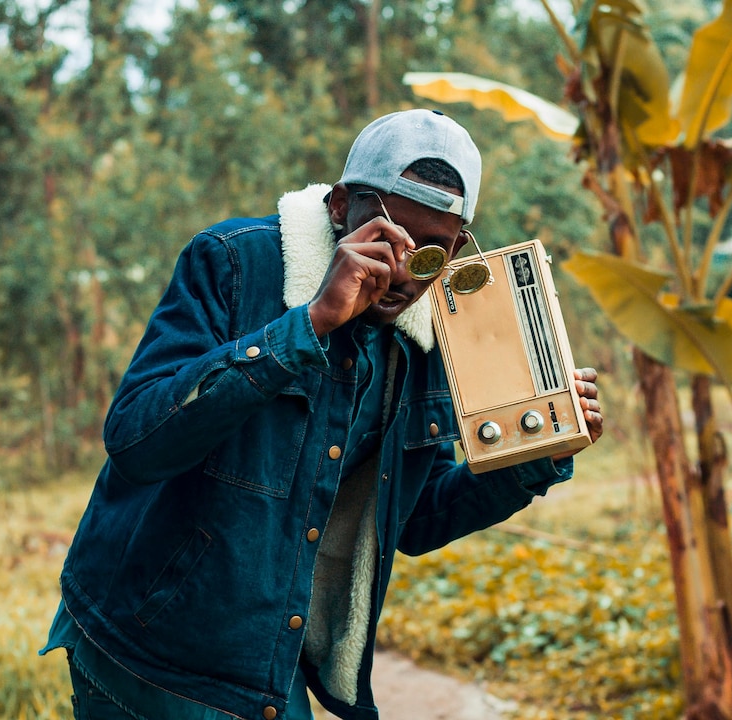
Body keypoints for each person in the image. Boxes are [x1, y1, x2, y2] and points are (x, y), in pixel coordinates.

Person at [40, 108, 604, 720]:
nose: (400, 275)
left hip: (267, 667)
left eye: (429, 256)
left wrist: (534, 459)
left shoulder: (428, 334)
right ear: (339, 207)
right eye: (386, 240)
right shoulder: (232, 262)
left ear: (459, 247)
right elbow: (136, 440)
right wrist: (306, 325)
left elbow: (413, 517)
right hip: (145, 648)